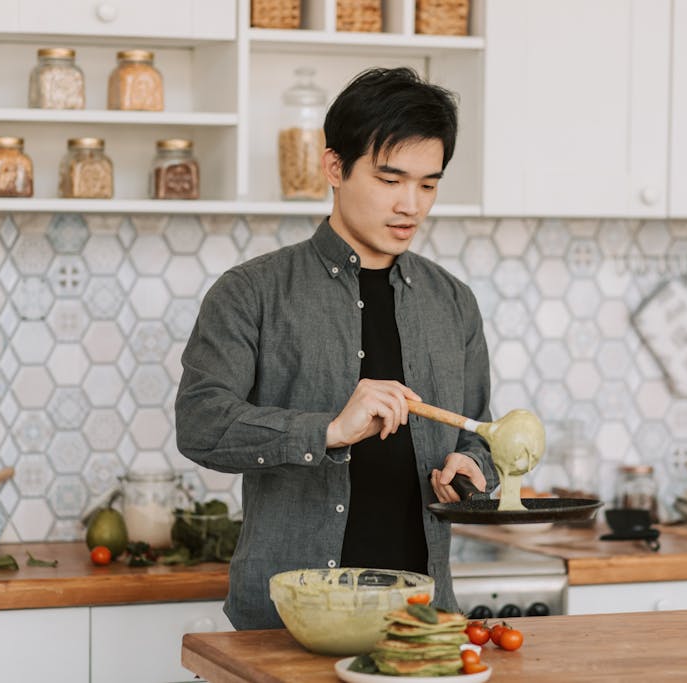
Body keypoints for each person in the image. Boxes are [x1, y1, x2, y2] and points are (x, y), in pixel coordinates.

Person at [175, 66, 498, 630]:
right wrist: (328, 431)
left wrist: (471, 466)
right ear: (334, 168)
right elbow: (200, 424)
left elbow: (478, 431)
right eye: (390, 179)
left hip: (422, 626)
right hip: (286, 626)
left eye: (428, 184)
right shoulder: (251, 292)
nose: (411, 205)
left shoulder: (454, 303)